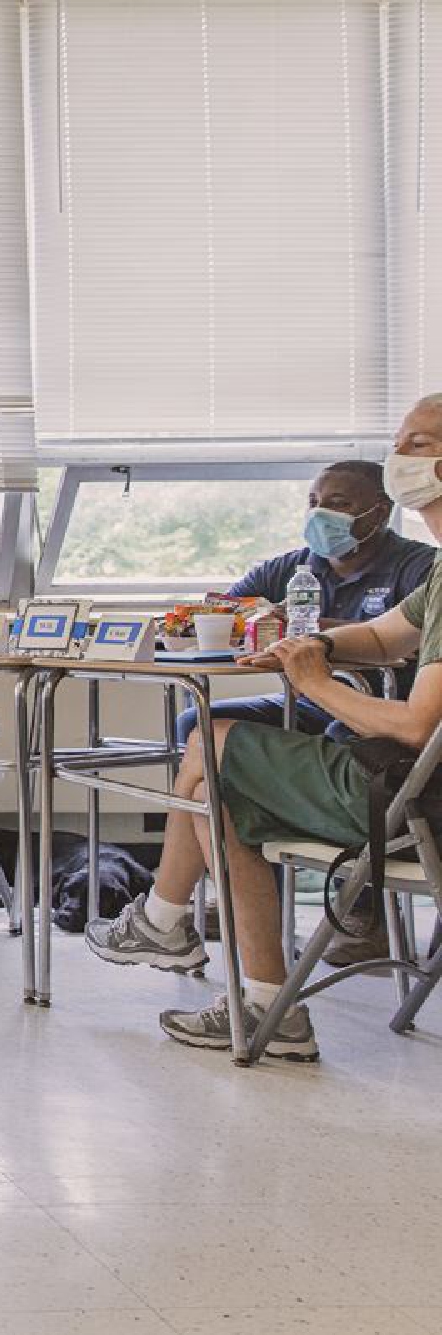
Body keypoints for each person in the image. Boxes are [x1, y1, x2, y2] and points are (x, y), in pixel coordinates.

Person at [84, 394, 442, 1059]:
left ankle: (166, 921)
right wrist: (314, 647)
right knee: (213, 788)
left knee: (205, 746)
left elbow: (420, 726)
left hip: (409, 796)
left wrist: (314, 683)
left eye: (418, 444)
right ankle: (264, 1007)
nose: (400, 456)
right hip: (392, 776)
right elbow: (388, 636)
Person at [173, 460, 432, 746]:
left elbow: (413, 641)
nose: (320, 513)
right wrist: (259, 618)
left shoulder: (421, 567)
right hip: (310, 700)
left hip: (385, 705)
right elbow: (222, 612)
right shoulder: (290, 568)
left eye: (338, 503)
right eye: (314, 502)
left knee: (342, 737)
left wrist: (311, 630)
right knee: (197, 721)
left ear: (380, 512)